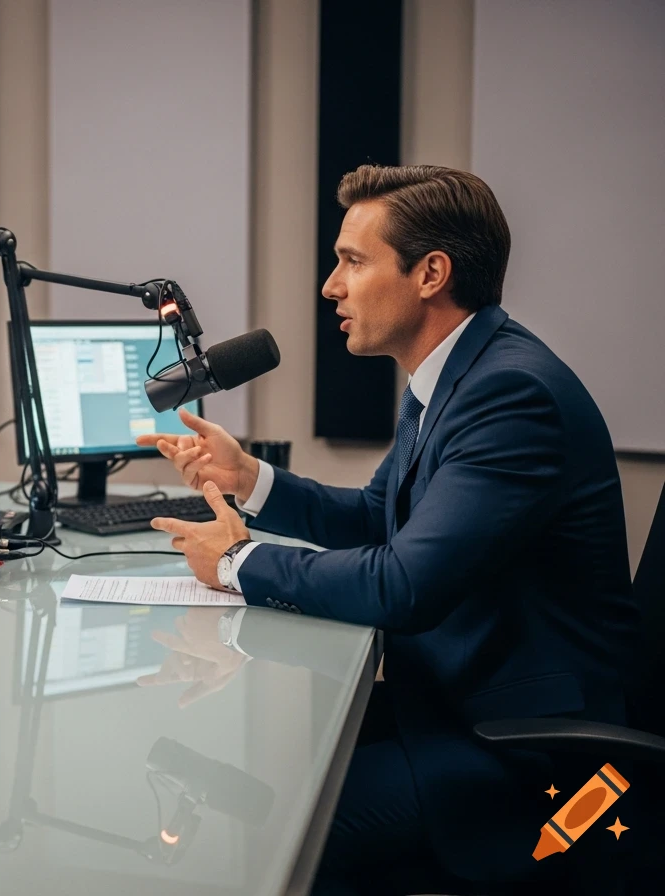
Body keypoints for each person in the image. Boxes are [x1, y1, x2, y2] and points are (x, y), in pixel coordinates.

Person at [138, 165, 638, 892]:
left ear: (431, 273)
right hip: (455, 707)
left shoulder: (509, 394)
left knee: (274, 843)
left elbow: (404, 585)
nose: (330, 287)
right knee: (268, 784)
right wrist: (250, 480)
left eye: (352, 261)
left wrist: (240, 561)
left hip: (526, 754)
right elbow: (380, 518)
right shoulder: (454, 375)